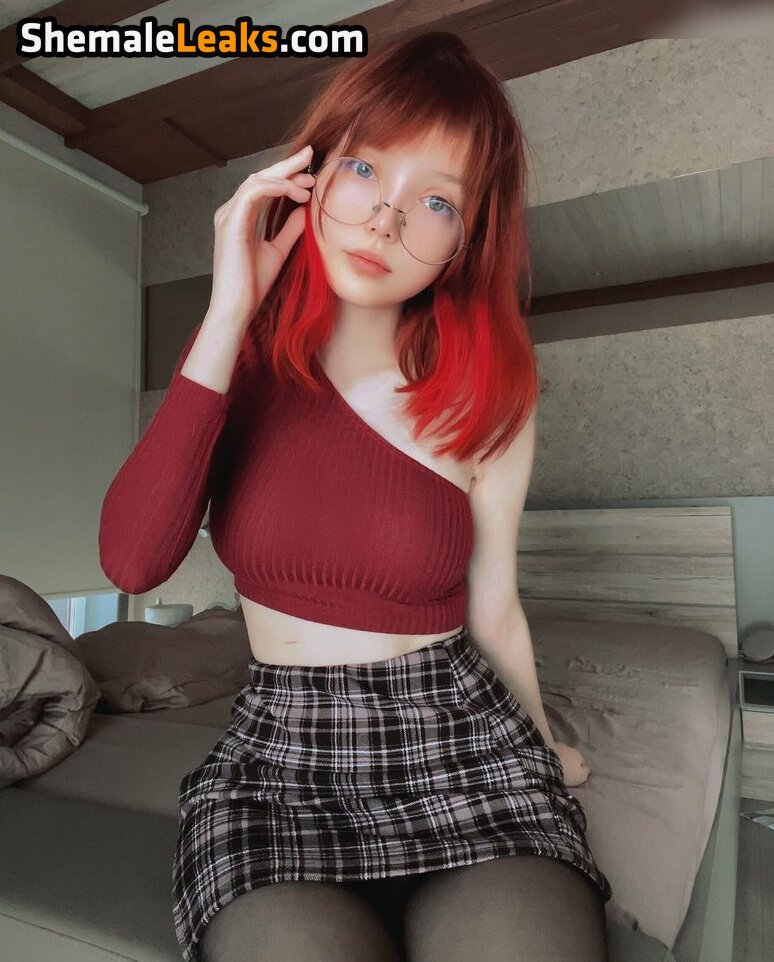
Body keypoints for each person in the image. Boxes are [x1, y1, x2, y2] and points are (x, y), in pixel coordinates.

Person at [99, 30, 612, 962]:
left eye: (437, 202)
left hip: (460, 740)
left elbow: (495, 605)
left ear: (466, 240)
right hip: (280, 760)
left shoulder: (489, 391)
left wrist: (543, 746)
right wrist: (227, 310)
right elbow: (132, 562)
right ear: (311, 172)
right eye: (366, 168)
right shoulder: (236, 362)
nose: (384, 220)